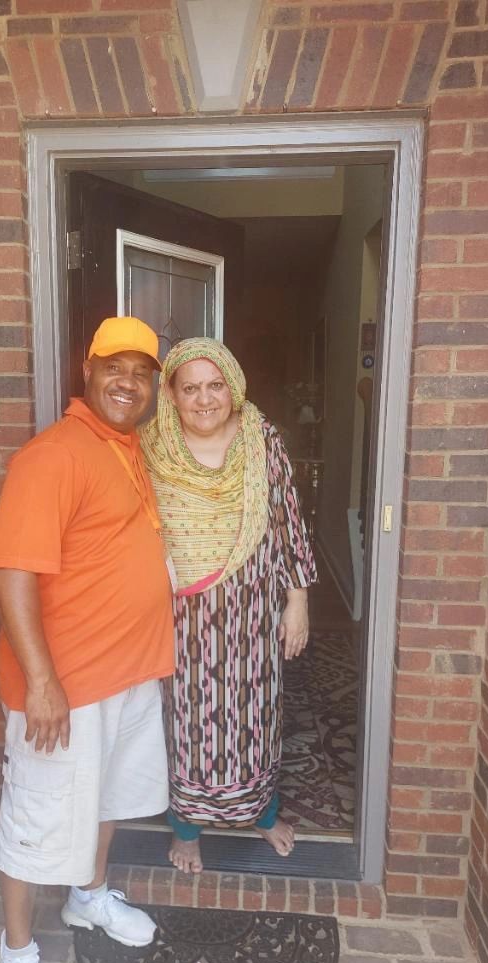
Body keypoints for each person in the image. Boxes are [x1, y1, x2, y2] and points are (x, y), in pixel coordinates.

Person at [0, 316, 174, 963]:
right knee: (33, 823)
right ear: (86, 372)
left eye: (142, 371)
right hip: (63, 689)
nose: (128, 381)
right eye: (113, 367)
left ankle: (88, 896)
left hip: (127, 676)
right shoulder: (54, 455)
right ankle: (18, 956)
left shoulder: (124, 449)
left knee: (105, 802)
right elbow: (12, 571)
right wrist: (41, 682)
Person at [140, 338, 317, 875]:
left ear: (233, 386)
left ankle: (263, 814)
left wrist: (298, 600)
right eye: (189, 387)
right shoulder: (151, 446)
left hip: (252, 608)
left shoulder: (263, 441)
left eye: (214, 385)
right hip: (180, 616)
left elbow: (288, 521)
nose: (203, 399)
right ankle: (187, 829)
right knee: (187, 721)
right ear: (170, 394)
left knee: (254, 714)